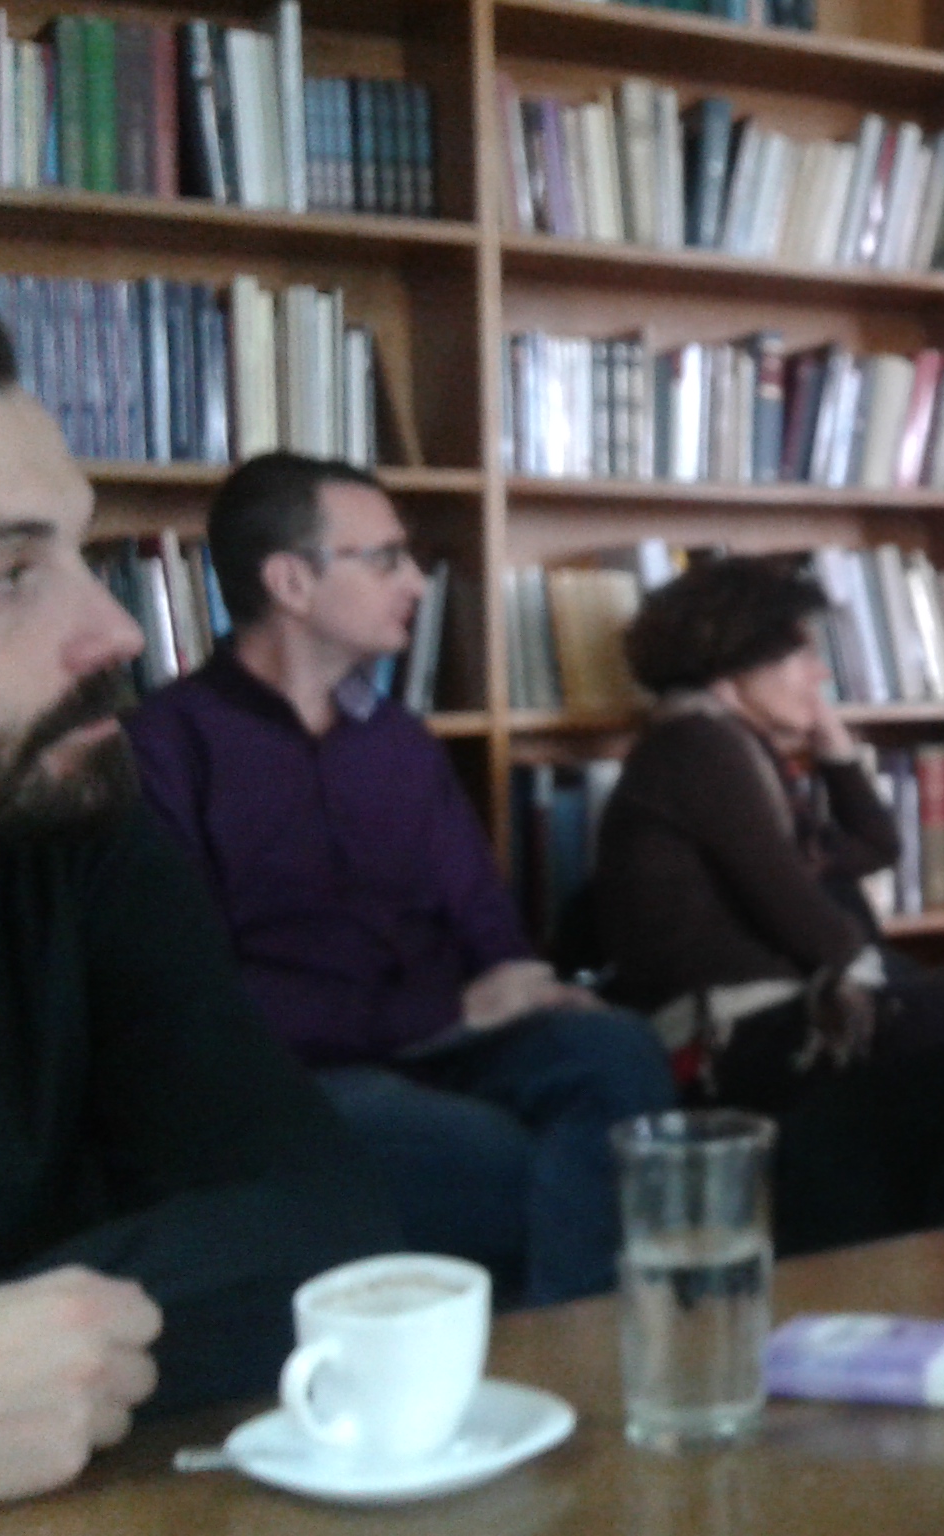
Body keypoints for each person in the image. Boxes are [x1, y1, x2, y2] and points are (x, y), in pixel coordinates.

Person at [0, 277, 394, 1511]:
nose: (116, 630)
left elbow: (317, 1225)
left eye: (83, 552)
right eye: (10, 574)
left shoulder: (73, 830)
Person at [125, 452, 675, 1308]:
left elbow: (480, 912)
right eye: (386, 559)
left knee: (616, 1051)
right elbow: (192, 995)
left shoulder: (399, 743)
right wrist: (443, 1012)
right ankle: (567, 1332)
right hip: (296, 1067)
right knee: (480, 1156)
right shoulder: (165, 747)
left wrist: (532, 987)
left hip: (448, 1038)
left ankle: (581, 1330)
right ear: (290, 582)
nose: (417, 582)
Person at [594, 555, 944, 1110]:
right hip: (737, 1036)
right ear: (737, 667)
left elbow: (875, 848)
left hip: (770, 1017)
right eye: (803, 656)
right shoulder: (698, 748)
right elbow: (801, 917)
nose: (822, 675)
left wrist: (836, 751)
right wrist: (888, 982)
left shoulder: (729, 747)